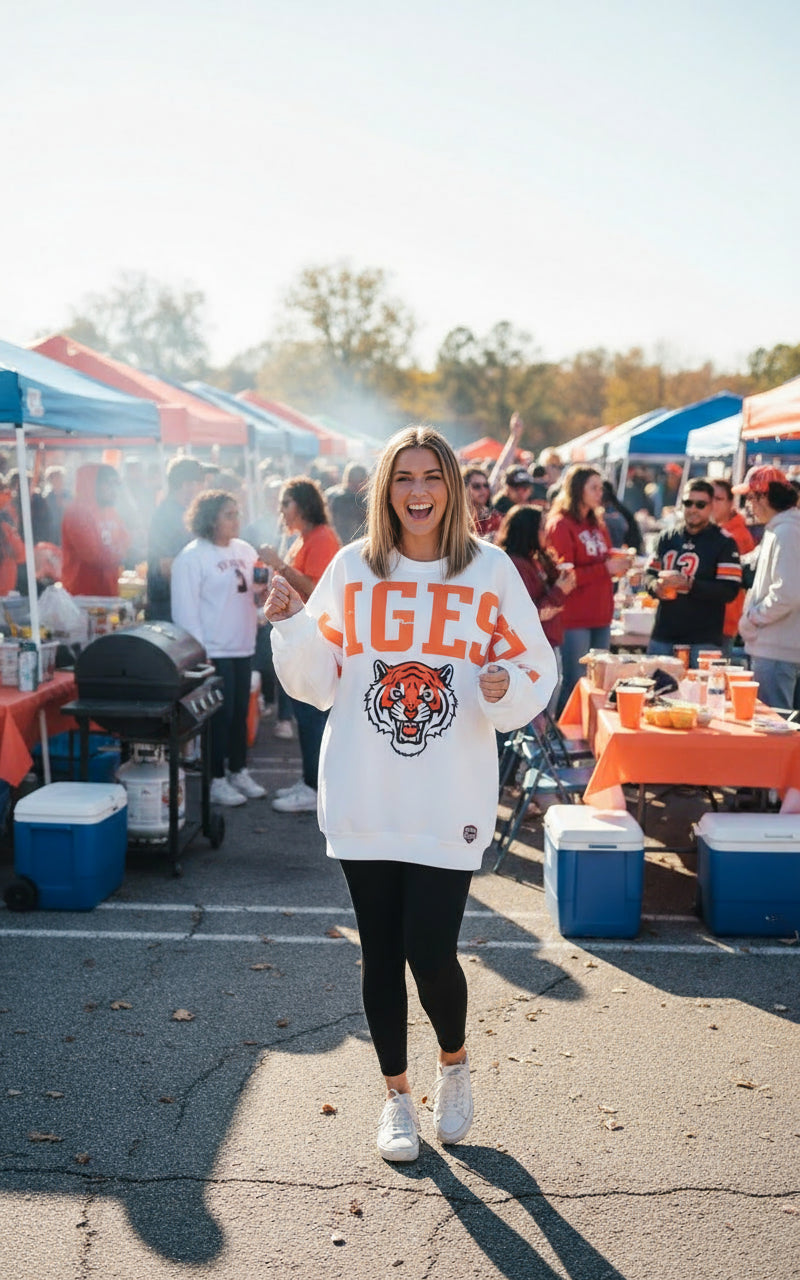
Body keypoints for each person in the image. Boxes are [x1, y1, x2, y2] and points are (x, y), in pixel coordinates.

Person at [265, 425, 556, 1162]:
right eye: (403, 477)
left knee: (432, 951)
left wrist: (506, 685)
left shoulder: (487, 571)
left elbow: (535, 669)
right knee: (380, 953)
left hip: (449, 794)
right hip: (365, 788)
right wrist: (288, 629)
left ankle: (453, 1066)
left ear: (452, 487)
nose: (418, 491)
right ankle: (396, 1096)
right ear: (385, 490)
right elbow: (321, 679)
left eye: (431, 476)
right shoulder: (354, 571)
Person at [171, 491, 267, 807]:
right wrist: (200, 653)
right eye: (229, 514)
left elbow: (256, 589)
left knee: (240, 714)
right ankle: (216, 779)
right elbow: (185, 611)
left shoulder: (245, 549)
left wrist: (264, 593)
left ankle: (238, 770)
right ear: (211, 519)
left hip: (242, 644)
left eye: (237, 513)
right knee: (218, 719)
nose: (237, 520)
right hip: (214, 649)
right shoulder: (192, 556)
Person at [257, 478, 341, 812]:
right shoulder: (304, 538)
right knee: (304, 715)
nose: (281, 511)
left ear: (303, 505)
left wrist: (278, 564)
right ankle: (309, 780)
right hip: (300, 638)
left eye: (285, 504)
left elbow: (314, 587)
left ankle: (314, 787)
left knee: (311, 716)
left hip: (314, 639)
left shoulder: (321, 538)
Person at [545, 465, 630, 712]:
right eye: (593, 487)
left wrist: (618, 563)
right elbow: (565, 576)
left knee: (598, 683)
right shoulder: (560, 524)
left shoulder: (597, 522)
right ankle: (562, 738)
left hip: (601, 613)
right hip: (575, 617)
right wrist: (606, 568)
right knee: (574, 681)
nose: (599, 493)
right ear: (576, 490)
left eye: (600, 488)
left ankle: (587, 739)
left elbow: (599, 559)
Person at [644, 478, 742, 667]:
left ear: (711, 506)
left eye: (700, 504)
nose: (693, 509)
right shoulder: (666, 537)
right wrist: (655, 586)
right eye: (688, 503)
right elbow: (649, 574)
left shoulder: (724, 542)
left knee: (701, 695)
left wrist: (690, 585)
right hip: (664, 634)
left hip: (704, 638)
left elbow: (729, 590)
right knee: (654, 692)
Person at [495, 503, 576, 711]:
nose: (546, 532)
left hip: (546, 642)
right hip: (532, 649)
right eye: (541, 527)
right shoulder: (516, 565)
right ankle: (536, 744)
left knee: (545, 709)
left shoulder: (534, 558)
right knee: (537, 714)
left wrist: (559, 576)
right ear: (528, 531)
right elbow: (528, 614)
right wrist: (559, 590)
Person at [734, 465, 800, 710]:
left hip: (778, 651)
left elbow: (788, 594)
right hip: (778, 649)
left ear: (763, 496)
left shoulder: (787, 532)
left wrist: (753, 618)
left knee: (775, 735)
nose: (747, 505)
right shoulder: (782, 528)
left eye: (750, 497)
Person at [145, 456, 206, 621]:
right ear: (187, 485)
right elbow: (166, 566)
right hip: (168, 605)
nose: (202, 489)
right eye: (199, 483)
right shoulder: (167, 516)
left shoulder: (188, 513)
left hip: (184, 602)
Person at [60, 464, 131, 597]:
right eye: (109, 484)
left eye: (116, 485)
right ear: (92, 485)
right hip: (82, 597)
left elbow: (126, 540)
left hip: (108, 593)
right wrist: (122, 554)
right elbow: (92, 555)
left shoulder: (111, 511)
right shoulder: (76, 513)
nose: (114, 490)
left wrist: (124, 551)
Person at [710, 478, 756, 652]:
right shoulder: (714, 531)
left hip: (724, 621)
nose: (712, 504)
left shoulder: (738, 536)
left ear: (731, 502)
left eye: (718, 499)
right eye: (710, 498)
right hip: (707, 620)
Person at [326, 462, 369, 544]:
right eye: (354, 480)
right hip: (340, 544)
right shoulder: (335, 498)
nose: (357, 485)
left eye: (360, 480)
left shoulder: (368, 500)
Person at [462, 467, 502, 539]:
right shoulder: (456, 518)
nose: (483, 490)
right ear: (464, 488)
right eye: (476, 486)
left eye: (486, 485)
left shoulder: (494, 518)